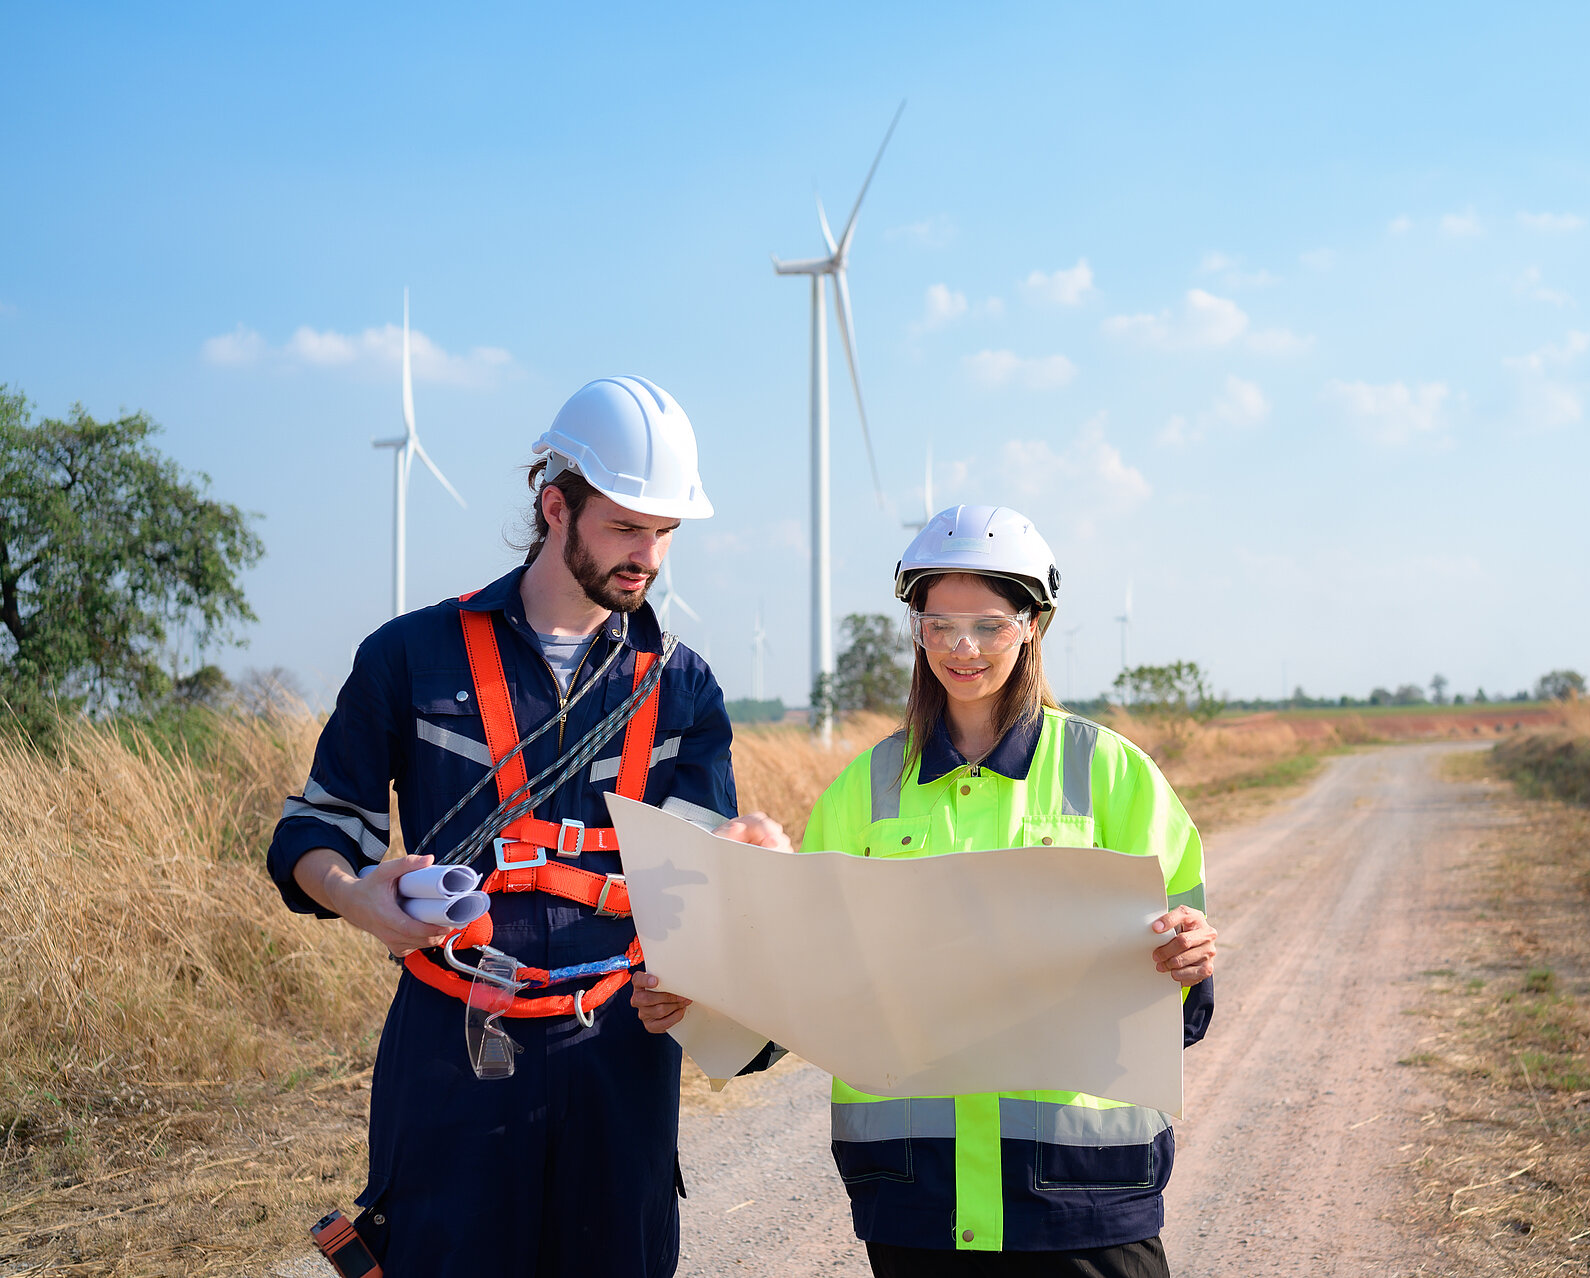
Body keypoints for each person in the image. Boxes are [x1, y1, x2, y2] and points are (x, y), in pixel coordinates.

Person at [267, 375, 786, 1278]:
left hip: (620, 1053)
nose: (649, 556)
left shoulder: (684, 687)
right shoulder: (408, 656)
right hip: (452, 1047)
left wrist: (723, 933)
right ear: (557, 506)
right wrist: (358, 899)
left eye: (665, 533)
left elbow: (695, 887)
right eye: (626, 526)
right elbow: (312, 829)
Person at [800, 504, 1216, 1277]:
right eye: (939, 623)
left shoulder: (1114, 775)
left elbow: (1185, 1003)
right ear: (916, 627)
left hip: (1081, 1200)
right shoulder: (863, 790)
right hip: (917, 1197)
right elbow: (802, 968)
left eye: (989, 624)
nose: (962, 647)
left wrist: (1189, 957)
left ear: (1032, 625)